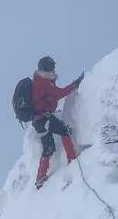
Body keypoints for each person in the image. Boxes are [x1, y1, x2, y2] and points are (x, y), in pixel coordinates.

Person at [32, 56, 84, 189]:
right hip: (44, 118)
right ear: (48, 69)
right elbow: (60, 93)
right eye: (52, 68)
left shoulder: (39, 81)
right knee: (63, 130)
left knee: (48, 148)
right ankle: (72, 158)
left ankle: (40, 178)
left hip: (39, 121)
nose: (54, 70)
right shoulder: (43, 82)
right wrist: (75, 84)